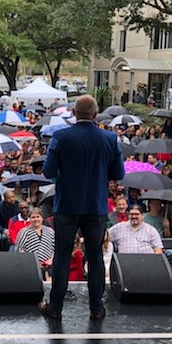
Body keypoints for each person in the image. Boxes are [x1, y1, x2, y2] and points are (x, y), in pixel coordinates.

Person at [40, 95, 125, 320]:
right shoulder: (109, 138)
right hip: (96, 206)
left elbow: (48, 172)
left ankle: (55, 307)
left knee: (62, 255)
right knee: (95, 255)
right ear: (96, 115)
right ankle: (96, 308)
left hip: (66, 205)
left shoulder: (60, 137)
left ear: (74, 113)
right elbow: (119, 174)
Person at [15, 208, 55, 279]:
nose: (36, 219)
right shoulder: (24, 232)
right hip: (30, 268)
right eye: (33, 217)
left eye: (38, 217)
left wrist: (51, 260)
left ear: (42, 218)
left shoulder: (50, 231)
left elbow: (54, 248)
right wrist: (31, 263)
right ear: (30, 219)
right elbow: (20, 250)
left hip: (49, 266)